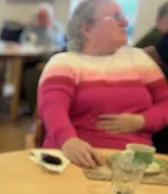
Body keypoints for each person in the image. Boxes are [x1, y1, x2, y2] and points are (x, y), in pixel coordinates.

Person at [38, 0, 168, 168]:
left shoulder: (139, 59)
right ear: (87, 29)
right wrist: (68, 140)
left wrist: (142, 121)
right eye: (116, 17)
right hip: (77, 160)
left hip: (135, 164)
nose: (125, 22)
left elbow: (165, 101)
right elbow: (52, 109)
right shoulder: (64, 62)